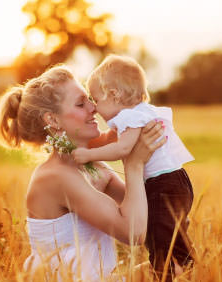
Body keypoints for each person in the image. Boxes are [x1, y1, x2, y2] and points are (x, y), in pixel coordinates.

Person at [0, 65, 166, 281]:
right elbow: (133, 232)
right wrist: (134, 164)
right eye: (81, 103)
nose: (94, 108)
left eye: (90, 99)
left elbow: (147, 216)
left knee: (171, 268)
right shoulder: (56, 176)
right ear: (52, 120)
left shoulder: (94, 166)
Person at [72, 54, 195, 279]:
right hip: (178, 181)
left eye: (96, 99)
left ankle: (165, 275)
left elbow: (121, 149)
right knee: (171, 236)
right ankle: (186, 267)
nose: (95, 108)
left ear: (113, 94)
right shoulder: (142, 112)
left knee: (159, 241)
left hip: (163, 184)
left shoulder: (130, 117)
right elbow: (111, 138)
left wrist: (87, 154)